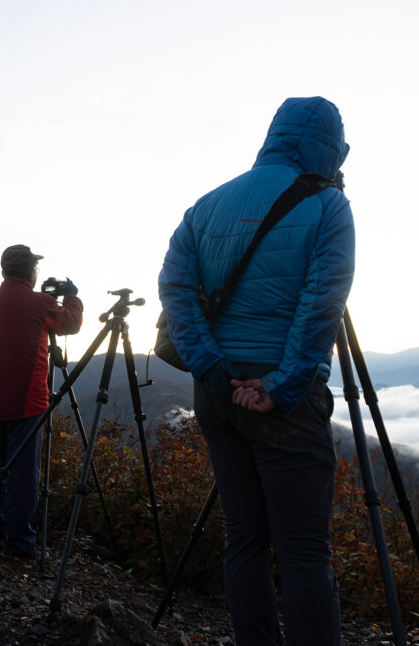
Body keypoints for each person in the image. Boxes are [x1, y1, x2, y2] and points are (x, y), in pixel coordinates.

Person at [158, 96, 355, 645]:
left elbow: (175, 291)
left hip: (218, 394)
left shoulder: (206, 205)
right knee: (302, 547)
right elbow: (322, 301)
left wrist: (214, 370)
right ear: (329, 146)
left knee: (243, 538)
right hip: (282, 398)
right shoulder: (329, 206)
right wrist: (282, 386)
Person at [0, 245, 83, 559]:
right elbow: (72, 324)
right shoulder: (40, 302)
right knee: (23, 474)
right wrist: (71, 296)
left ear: (4, 271)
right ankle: (21, 544)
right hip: (26, 402)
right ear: (31, 271)